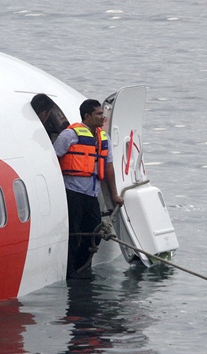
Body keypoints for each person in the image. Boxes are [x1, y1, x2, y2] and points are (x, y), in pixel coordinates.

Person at [53, 99, 124, 279]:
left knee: (95, 232)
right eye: (99, 114)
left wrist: (114, 194)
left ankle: (81, 266)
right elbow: (53, 159)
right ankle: (70, 272)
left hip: (92, 193)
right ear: (87, 116)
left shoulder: (103, 138)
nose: (102, 117)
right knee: (74, 233)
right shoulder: (69, 136)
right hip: (73, 192)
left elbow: (108, 168)